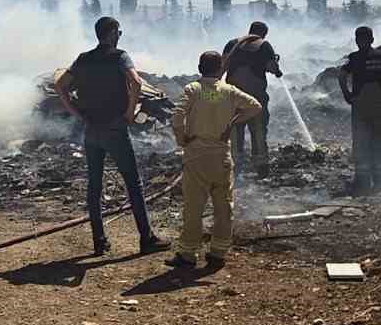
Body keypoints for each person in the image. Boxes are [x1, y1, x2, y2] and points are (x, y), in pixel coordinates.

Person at [55, 17, 171, 257]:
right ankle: (146, 238)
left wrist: (76, 113)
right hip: (114, 129)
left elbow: (60, 85)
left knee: (94, 186)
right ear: (110, 33)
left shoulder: (83, 59)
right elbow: (136, 82)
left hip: (91, 129)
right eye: (118, 31)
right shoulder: (120, 56)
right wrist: (130, 112)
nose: (119, 35)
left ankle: (99, 241)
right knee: (134, 184)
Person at [168, 51, 262, 269]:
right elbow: (255, 106)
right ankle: (218, 252)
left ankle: (188, 254)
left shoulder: (193, 89)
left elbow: (176, 118)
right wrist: (233, 123)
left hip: (197, 156)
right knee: (224, 207)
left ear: (200, 68)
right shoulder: (229, 91)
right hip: (221, 157)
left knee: (194, 208)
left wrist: (182, 139)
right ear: (220, 69)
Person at [337, 27, 381, 195]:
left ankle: (362, 181)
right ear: (372, 39)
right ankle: (380, 181)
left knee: (361, 142)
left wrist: (347, 94)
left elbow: (341, 76)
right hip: (378, 105)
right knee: (379, 141)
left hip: (360, 106)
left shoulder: (354, 58)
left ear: (357, 40)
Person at [220, 21, 282, 176]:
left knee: (235, 130)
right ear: (264, 33)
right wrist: (277, 67)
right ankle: (261, 167)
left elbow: (222, 66)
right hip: (256, 97)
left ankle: (235, 166)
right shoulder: (264, 46)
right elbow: (272, 68)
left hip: (233, 97)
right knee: (259, 130)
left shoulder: (232, 44)